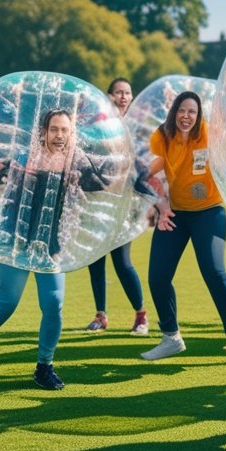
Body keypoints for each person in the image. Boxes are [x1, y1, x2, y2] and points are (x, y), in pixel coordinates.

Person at [0, 108, 119, 391]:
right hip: (16, 242)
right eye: (54, 129)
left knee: (54, 306)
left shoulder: (77, 164)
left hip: (51, 248)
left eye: (65, 130)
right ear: (43, 132)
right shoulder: (26, 159)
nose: (59, 135)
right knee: (6, 305)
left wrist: (119, 150)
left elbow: (105, 179)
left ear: (71, 133)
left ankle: (44, 367)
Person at [140, 91, 226, 364]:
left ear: (199, 116)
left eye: (192, 112)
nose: (186, 116)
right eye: (182, 110)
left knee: (214, 271)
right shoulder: (161, 137)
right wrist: (161, 206)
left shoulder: (209, 135)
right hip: (174, 214)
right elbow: (148, 175)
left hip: (208, 213)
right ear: (173, 111)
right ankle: (171, 338)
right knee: (158, 277)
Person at [85, 78, 149, 335]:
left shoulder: (136, 128)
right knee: (95, 259)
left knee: (122, 262)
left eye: (127, 93)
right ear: (108, 96)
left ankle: (141, 316)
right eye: (118, 93)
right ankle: (101, 315)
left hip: (124, 204)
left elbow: (143, 165)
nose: (123, 97)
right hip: (98, 201)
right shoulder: (97, 127)